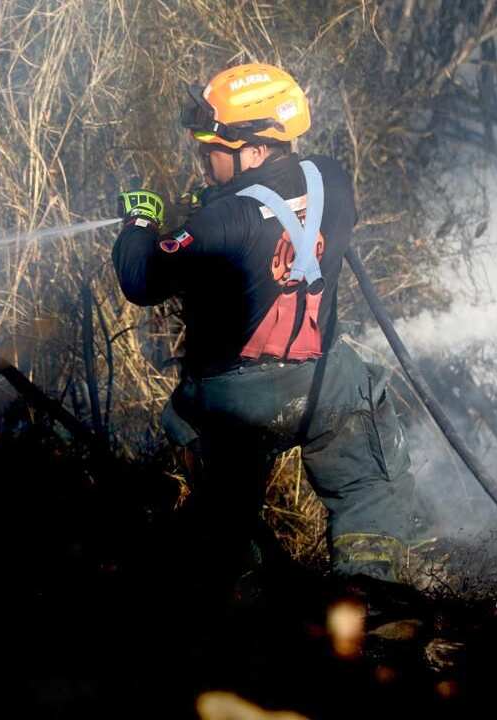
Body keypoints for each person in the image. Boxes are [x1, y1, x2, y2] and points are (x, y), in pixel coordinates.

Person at [113, 63, 428, 587]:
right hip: (323, 384)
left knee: (224, 515)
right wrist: (214, 201)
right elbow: (277, 207)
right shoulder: (332, 179)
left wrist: (140, 223)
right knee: (367, 484)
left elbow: (142, 280)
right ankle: (373, 597)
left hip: (234, 405)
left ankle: (241, 588)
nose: (203, 159)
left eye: (212, 149)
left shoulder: (220, 222)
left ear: (255, 148)